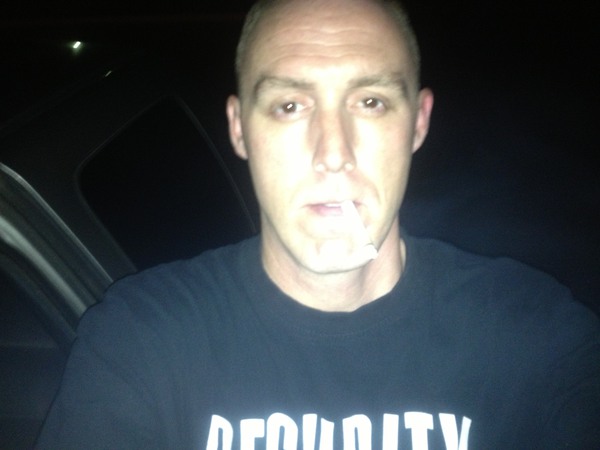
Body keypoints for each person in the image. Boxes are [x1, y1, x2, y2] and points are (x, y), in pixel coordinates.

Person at [37, 0, 599, 448]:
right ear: (239, 128)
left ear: (418, 123)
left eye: (370, 102)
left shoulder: (534, 336)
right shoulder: (142, 339)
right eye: (290, 106)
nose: (333, 153)